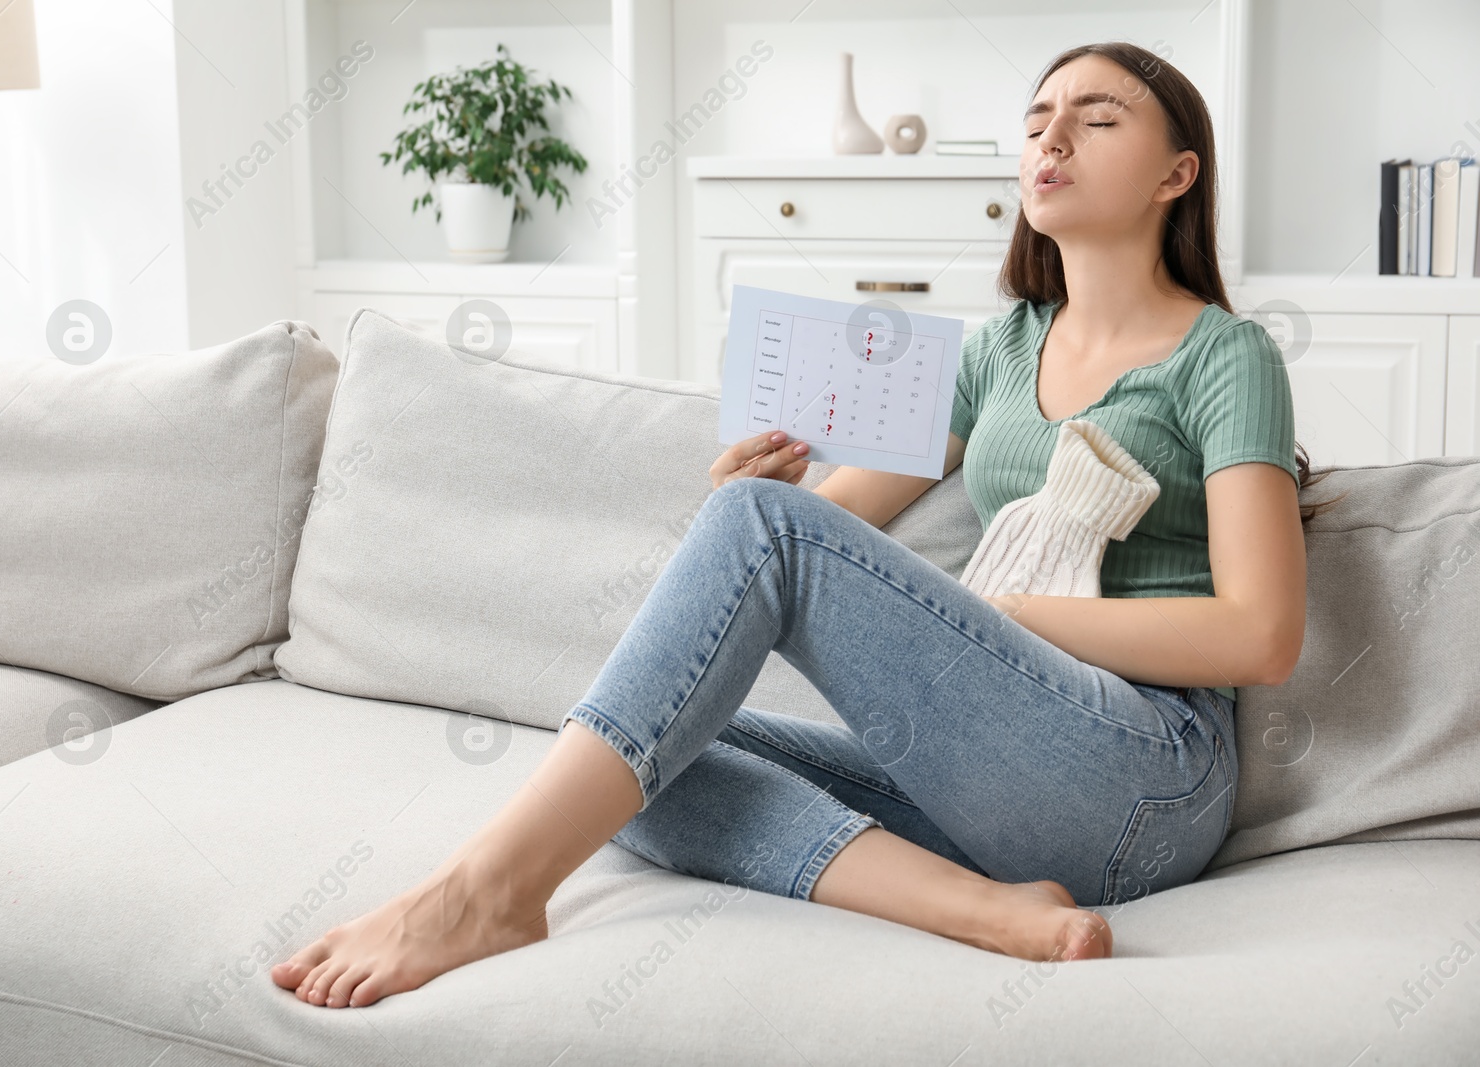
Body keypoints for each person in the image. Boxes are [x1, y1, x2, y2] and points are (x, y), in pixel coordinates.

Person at [271, 39, 1333, 1010]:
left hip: (1148, 779)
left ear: (1175, 174)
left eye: (1098, 121)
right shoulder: (996, 352)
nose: (1050, 138)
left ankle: (487, 887)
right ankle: (985, 908)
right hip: (999, 784)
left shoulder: (1223, 357)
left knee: (704, 621)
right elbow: (805, 545)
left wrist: (1004, 612)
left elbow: (1258, 633)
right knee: (633, 751)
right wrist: (742, 490)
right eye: (1036, 118)